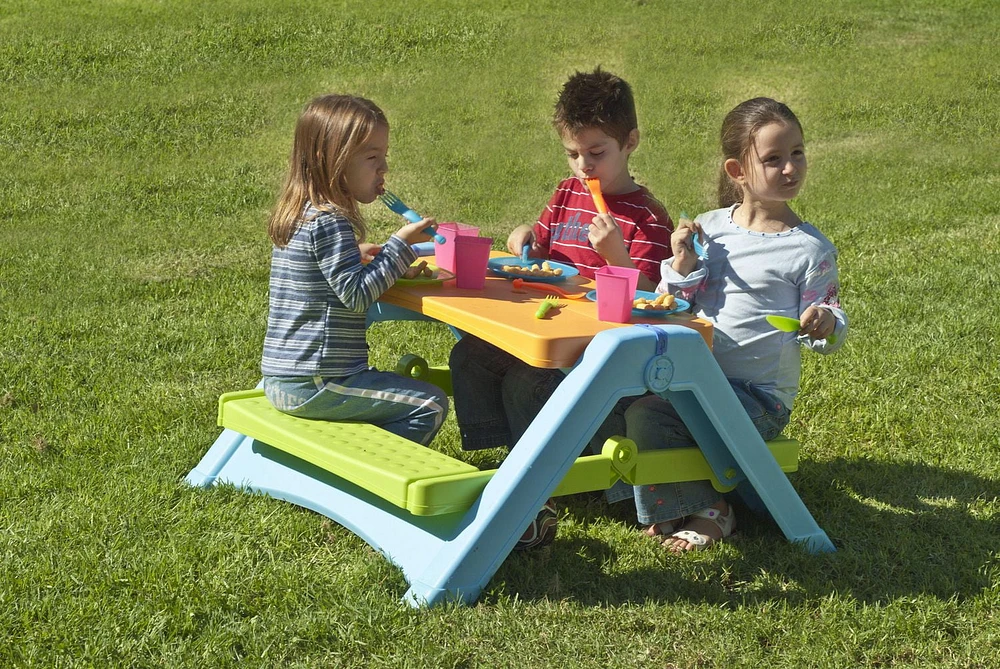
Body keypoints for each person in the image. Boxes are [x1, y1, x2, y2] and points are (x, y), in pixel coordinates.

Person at [449, 68, 674, 549]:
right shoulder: (566, 194)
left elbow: (656, 296)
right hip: (548, 327)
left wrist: (617, 257)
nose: (584, 167)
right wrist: (525, 239)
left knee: (528, 381)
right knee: (470, 356)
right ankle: (511, 459)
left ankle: (544, 479)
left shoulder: (647, 217)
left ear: (630, 141)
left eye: (597, 153)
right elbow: (544, 248)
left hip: (598, 350)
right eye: (573, 154)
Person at [616, 97, 848, 552]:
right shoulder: (710, 228)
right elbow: (676, 302)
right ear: (737, 171)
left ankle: (712, 511)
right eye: (773, 159)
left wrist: (824, 321)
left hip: (757, 398)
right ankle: (663, 499)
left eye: (797, 153)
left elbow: (831, 317)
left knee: (649, 414)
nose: (790, 168)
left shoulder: (808, 249)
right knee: (620, 397)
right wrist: (681, 265)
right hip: (693, 378)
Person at [260, 94, 448, 446]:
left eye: (384, 156)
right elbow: (358, 296)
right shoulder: (331, 222)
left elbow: (317, 273)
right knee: (429, 403)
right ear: (332, 161)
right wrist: (401, 246)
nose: (384, 169)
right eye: (373, 157)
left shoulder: (303, 213)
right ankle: (379, 474)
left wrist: (357, 255)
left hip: (284, 377)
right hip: (319, 382)